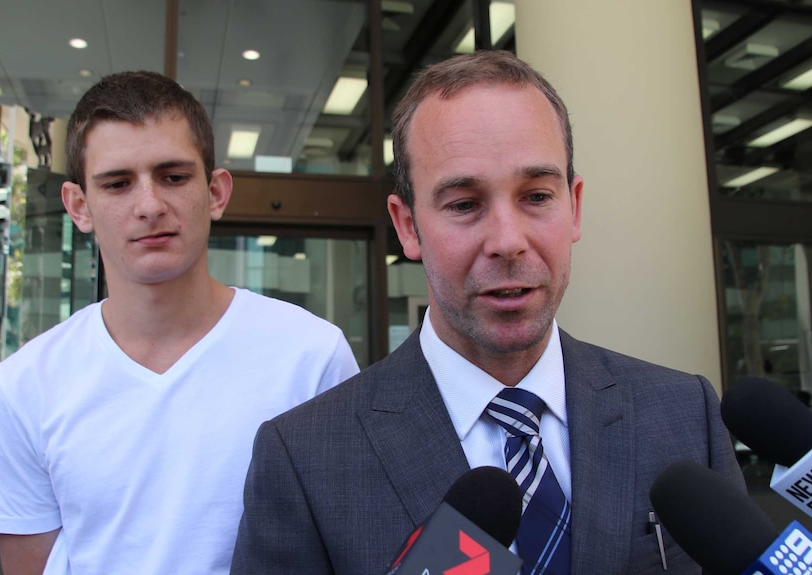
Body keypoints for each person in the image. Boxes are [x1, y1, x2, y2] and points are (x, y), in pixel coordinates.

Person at [233, 51, 745, 574]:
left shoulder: (685, 414)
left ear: (575, 205)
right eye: (464, 204)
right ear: (407, 226)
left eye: (537, 196)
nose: (507, 241)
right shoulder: (303, 457)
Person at [0, 71, 359, 575]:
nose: (150, 205)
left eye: (173, 176)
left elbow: (352, 549)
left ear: (216, 192)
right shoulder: (27, 384)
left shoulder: (311, 357)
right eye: (117, 183)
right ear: (78, 206)